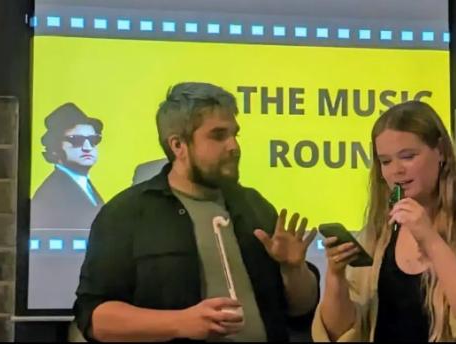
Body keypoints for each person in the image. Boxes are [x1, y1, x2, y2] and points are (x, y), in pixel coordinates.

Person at [73, 82, 320, 342]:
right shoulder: (126, 214)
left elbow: (301, 310)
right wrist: (180, 323)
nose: (234, 146)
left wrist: (293, 269)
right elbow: (95, 319)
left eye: (235, 134)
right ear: (178, 145)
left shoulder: (253, 206)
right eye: (218, 135)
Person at [312, 101, 456, 342]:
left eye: (408, 156)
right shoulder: (378, 234)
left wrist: (430, 239)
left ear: (441, 151)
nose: (396, 171)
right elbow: (341, 332)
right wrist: (335, 277)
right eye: (386, 161)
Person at [31, 102, 104, 229]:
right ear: (54, 148)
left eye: (93, 140)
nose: (87, 147)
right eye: (76, 140)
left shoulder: (82, 183)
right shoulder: (52, 192)